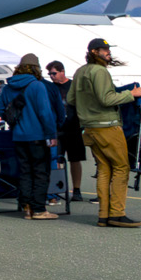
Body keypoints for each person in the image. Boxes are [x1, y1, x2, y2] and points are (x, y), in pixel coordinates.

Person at [72, 38, 141, 227]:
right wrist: (131, 94)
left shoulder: (80, 71)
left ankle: (104, 214)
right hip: (107, 126)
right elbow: (106, 98)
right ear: (94, 51)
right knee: (121, 168)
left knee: (104, 169)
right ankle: (117, 213)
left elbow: (71, 99)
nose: (108, 52)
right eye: (104, 49)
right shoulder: (100, 71)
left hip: (90, 127)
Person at [4, 54, 60, 220]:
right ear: (37, 68)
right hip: (37, 136)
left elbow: (2, 111)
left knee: (25, 172)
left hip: (18, 136)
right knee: (41, 172)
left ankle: (26, 206)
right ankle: (38, 209)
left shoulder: (8, 87)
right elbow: (45, 113)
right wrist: (51, 134)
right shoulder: (37, 86)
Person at [46, 60, 84, 202]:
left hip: (74, 127)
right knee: (57, 160)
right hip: (57, 129)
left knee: (75, 159)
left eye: (54, 73)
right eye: (50, 74)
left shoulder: (73, 85)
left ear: (62, 71)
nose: (52, 76)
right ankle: (58, 189)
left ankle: (77, 190)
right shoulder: (50, 87)